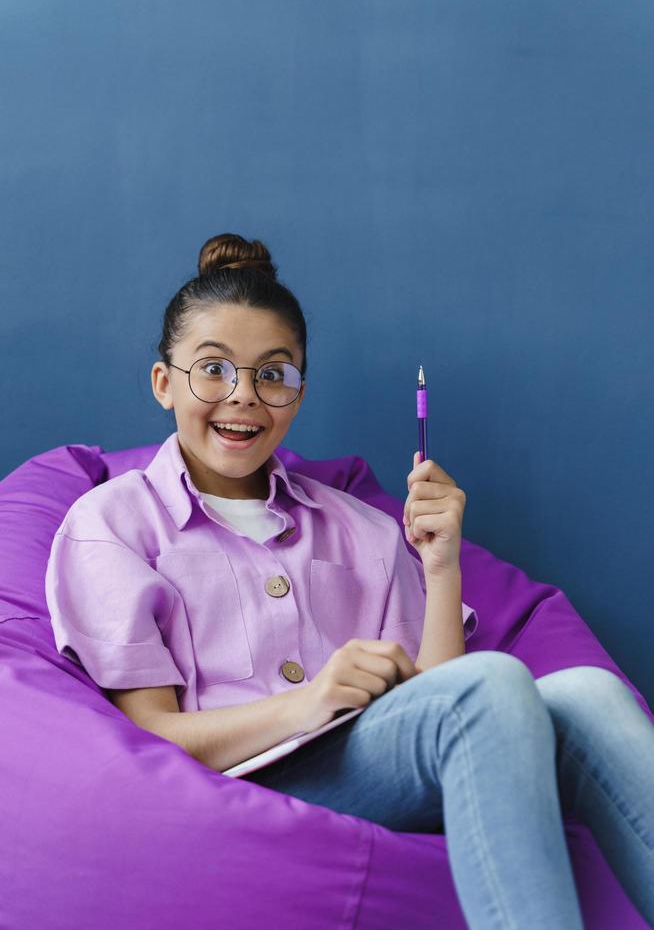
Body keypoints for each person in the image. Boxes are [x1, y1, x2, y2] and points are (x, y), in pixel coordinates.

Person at [45, 233, 654, 930]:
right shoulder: (112, 522)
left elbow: (444, 702)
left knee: (587, 691)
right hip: (238, 795)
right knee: (495, 683)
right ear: (163, 383)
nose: (244, 396)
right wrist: (310, 703)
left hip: (372, 772)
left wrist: (442, 564)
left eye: (274, 374)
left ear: (299, 392)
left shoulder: (359, 528)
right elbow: (147, 732)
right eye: (213, 370)